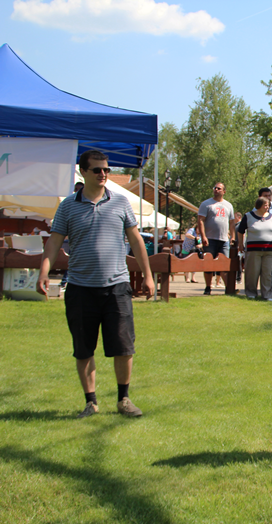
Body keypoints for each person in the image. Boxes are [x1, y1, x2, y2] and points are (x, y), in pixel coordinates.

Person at [36, 150, 155, 419]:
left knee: (124, 347)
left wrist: (147, 275)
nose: (103, 174)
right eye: (97, 170)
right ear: (84, 172)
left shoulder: (121, 202)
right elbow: (54, 242)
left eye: (106, 170)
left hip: (117, 287)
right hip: (80, 288)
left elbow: (136, 240)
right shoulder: (67, 205)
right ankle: (91, 402)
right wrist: (44, 272)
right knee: (83, 348)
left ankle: (124, 399)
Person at [198, 182, 235, 295]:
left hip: (224, 240)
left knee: (224, 264)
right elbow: (200, 220)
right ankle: (208, 287)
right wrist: (203, 236)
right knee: (209, 264)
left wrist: (232, 236)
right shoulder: (206, 204)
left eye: (219, 188)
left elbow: (232, 222)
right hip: (210, 239)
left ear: (224, 191)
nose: (216, 189)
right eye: (215, 188)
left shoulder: (228, 205)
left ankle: (228, 288)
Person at [237, 198, 272, 300]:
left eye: (268, 205)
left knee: (267, 273)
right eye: (265, 205)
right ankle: (251, 293)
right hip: (253, 249)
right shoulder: (248, 216)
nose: (267, 207)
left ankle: (267, 295)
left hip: (269, 249)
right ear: (258, 205)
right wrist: (241, 244)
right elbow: (240, 231)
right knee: (252, 272)